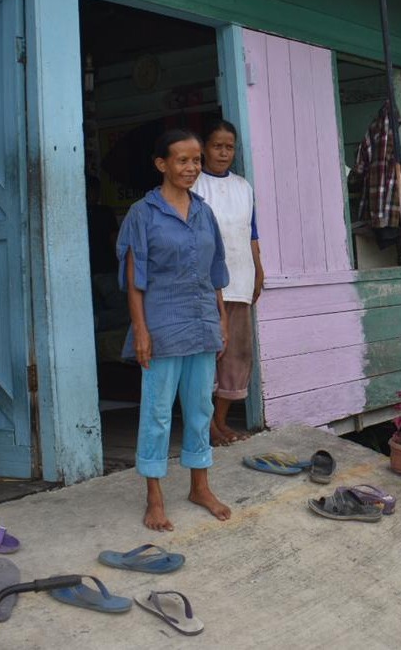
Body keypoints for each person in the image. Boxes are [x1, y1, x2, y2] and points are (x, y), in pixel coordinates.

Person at [117, 128, 231, 530]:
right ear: (161, 164)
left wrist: (220, 317)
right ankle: (154, 497)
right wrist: (141, 330)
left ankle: (200, 486)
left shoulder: (204, 211)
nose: (192, 167)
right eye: (182, 160)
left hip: (202, 323)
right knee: (158, 414)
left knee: (200, 409)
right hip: (162, 326)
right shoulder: (142, 214)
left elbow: (215, 271)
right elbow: (134, 279)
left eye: (196, 159)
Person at [190, 118, 263, 446]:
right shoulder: (193, 186)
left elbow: (252, 232)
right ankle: (204, 425)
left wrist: (258, 270)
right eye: (217, 146)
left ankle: (219, 421)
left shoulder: (243, 187)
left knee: (236, 355)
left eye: (229, 147)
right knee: (207, 357)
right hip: (205, 286)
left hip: (240, 280)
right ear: (204, 148)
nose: (223, 152)